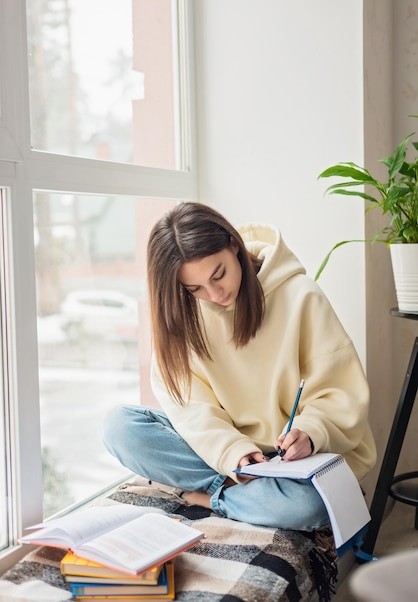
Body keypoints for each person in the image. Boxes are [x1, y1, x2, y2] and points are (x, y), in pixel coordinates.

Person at [103, 202, 376, 531]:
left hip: (295, 458)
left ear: (234, 244)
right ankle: (242, 490)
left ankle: (212, 497)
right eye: (195, 288)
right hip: (227, 452)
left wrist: (311, 430)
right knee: (120, 426)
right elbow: (190, 407)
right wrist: (231, 451)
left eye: (219, 274)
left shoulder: (300, 297)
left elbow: (342, 391)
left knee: (310, 507)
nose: (215, 294)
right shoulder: (185, 313)